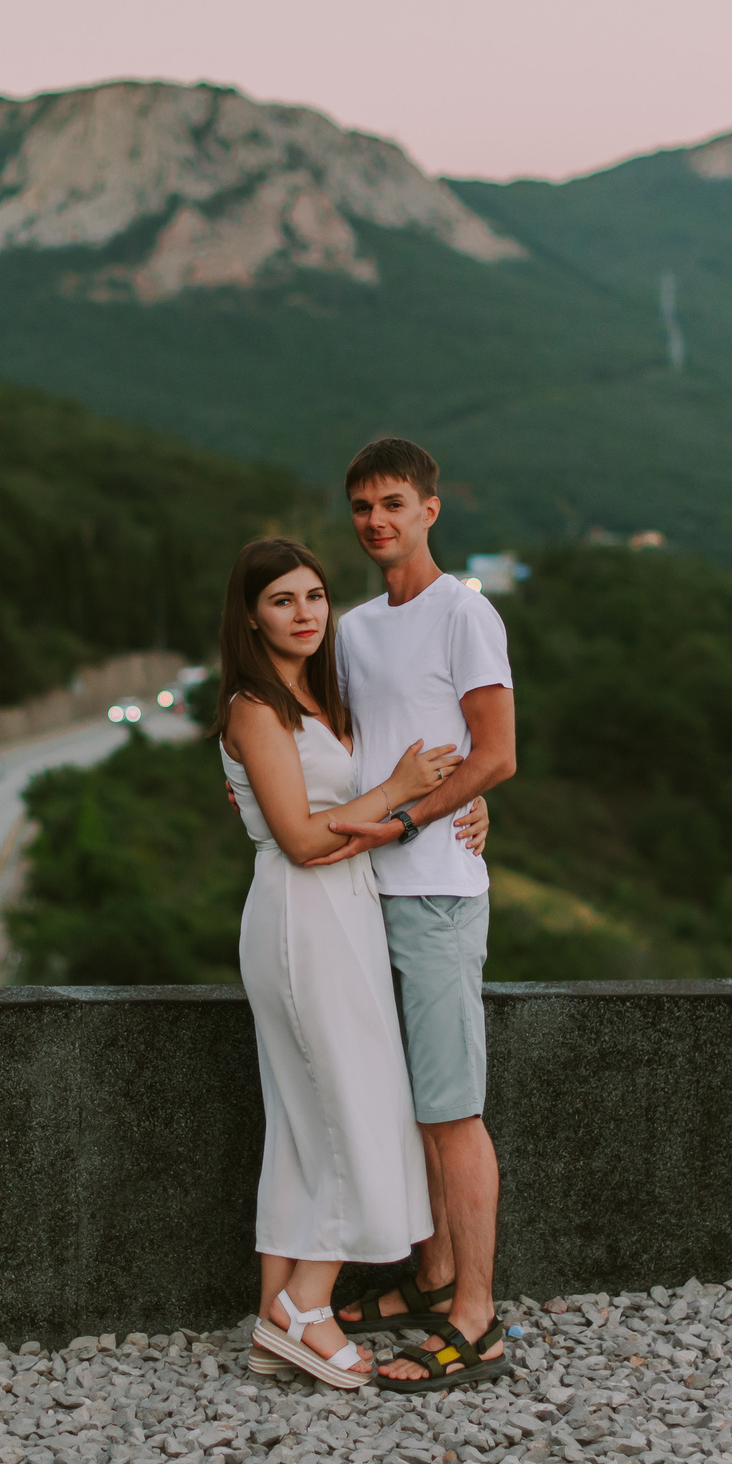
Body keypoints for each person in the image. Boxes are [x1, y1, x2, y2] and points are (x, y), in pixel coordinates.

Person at [215, 536, 460, 1390]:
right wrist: (398, 790)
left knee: (302, 1121)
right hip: (301, 913)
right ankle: (306, 1303)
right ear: (252, 616)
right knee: (352, 1105)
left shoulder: (316, 697)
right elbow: (300, 837)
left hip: (344, 909)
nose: (305, 613)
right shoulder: (254, 706)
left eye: (315, 595)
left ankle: (271, 1320)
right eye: (282, 600)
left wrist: (458, 806)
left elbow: (355, 809)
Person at [317, 436, 518, 1392]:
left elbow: (496, 753)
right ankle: (433, 1274)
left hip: (436, 891)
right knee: (404, 1108)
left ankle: (476, 1320)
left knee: (451, 1110)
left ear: (430, 508)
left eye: (393, 503)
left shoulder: (464, 612)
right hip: (361, 894)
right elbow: (347, 744)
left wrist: (412, 816)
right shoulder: (352, 629)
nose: (376, 520)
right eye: (363, 506)